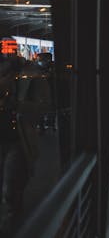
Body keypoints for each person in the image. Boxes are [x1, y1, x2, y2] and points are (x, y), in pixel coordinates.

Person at [0, 48, 40, 236]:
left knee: (11, 185)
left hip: (18, 140)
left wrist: (18, 104)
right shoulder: (6, 82)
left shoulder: (31, 81)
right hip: (6, 137)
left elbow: (43, 106)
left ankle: (13, 223)